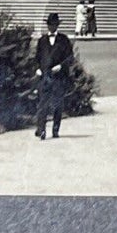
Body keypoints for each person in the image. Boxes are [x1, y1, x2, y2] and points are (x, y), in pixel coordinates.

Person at [34, 11, 74, 139]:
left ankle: (55, 129)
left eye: (54, 25)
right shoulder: (42, 40)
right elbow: (37, 57)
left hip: (59, 77)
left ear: (57, 26)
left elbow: (69, 57)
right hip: (45, 76)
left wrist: (61, 66)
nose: (51, 27)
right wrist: (38, 69)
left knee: (58, 104)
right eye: (50, 25)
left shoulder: (64, 40)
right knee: (42, 104)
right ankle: (41, 130)